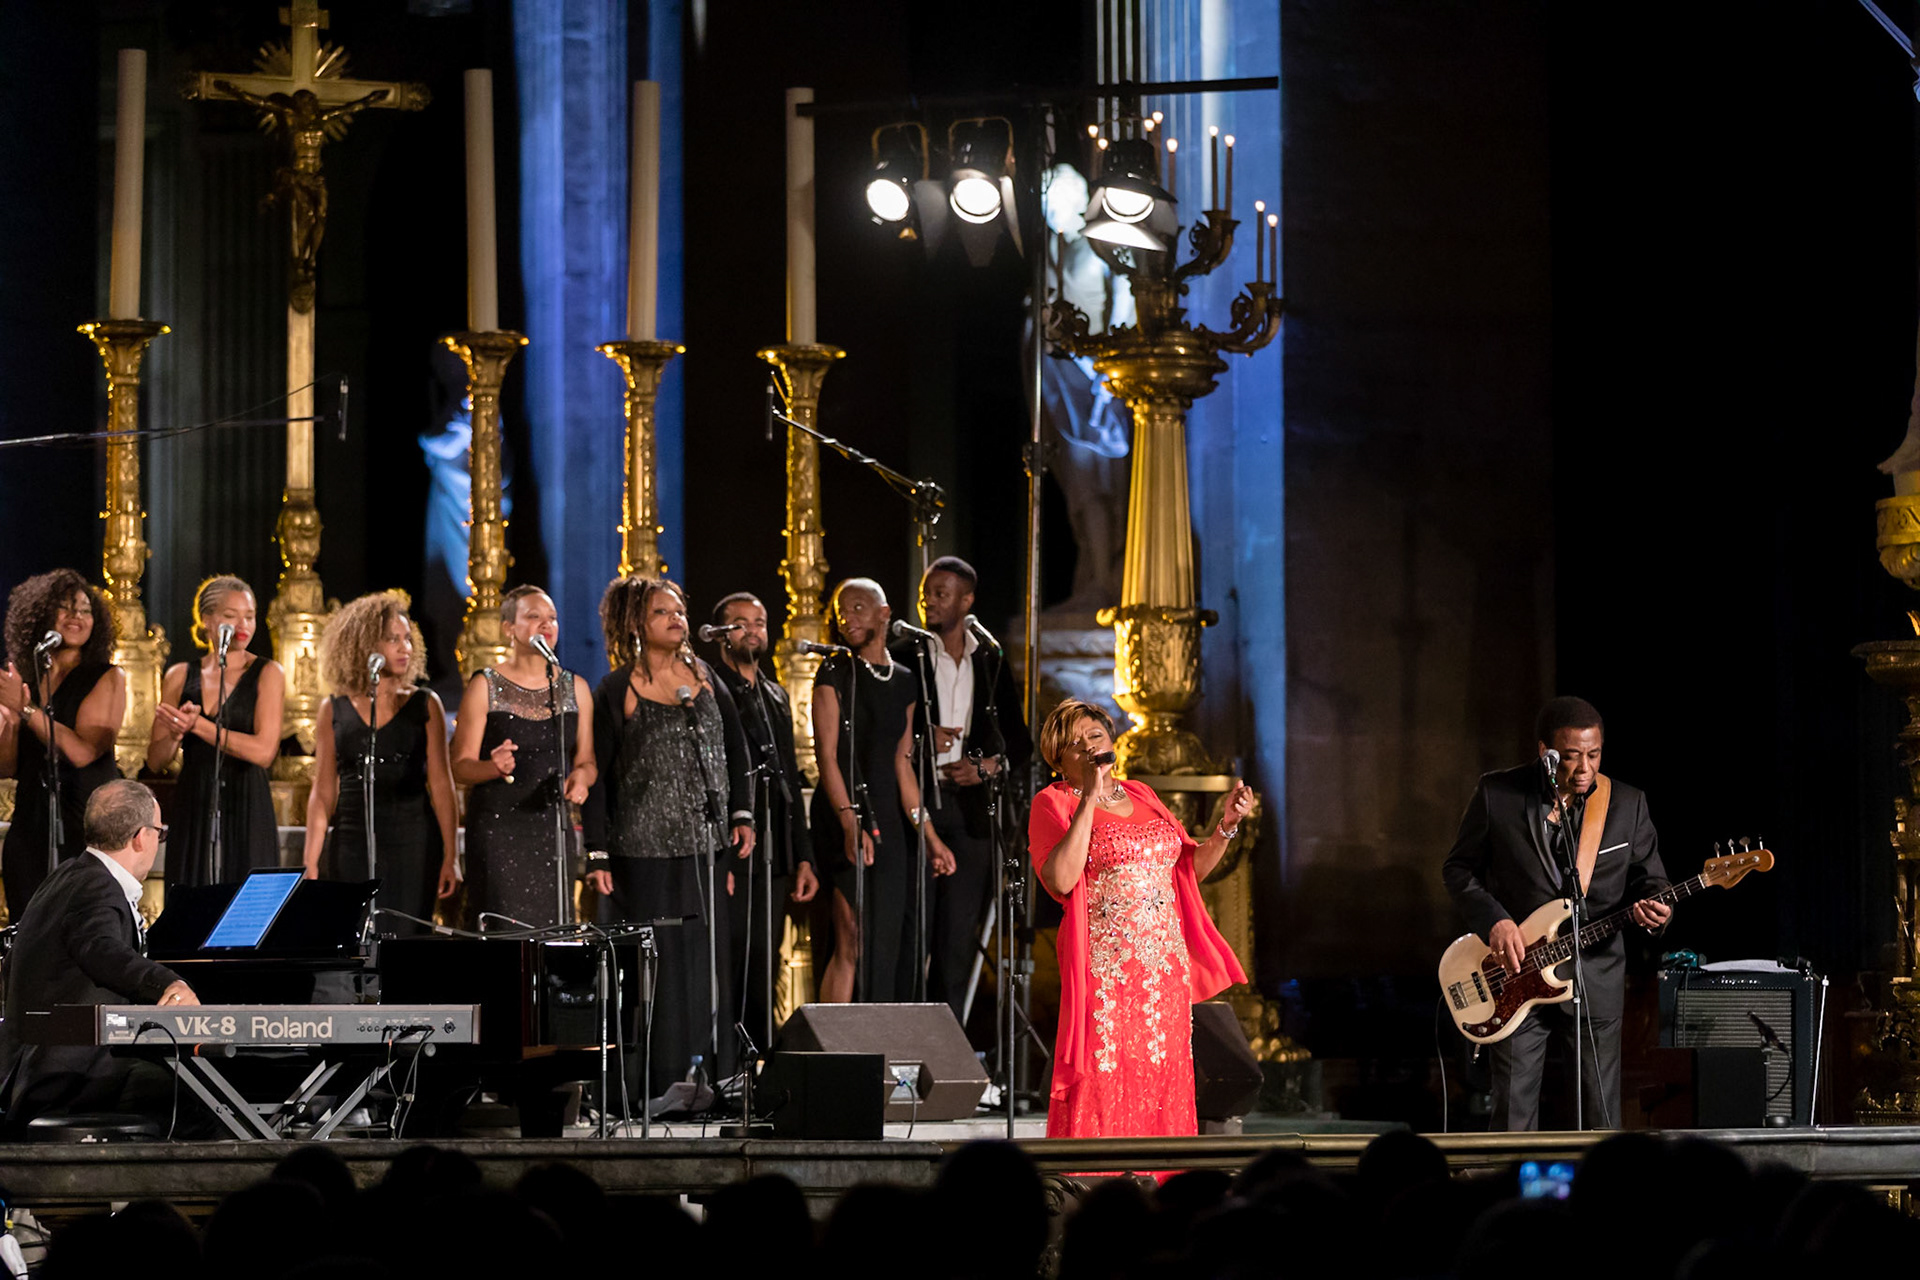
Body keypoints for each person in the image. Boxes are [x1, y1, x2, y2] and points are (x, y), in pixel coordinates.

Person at [1441, 695, 1672, 1130]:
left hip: (1595, 976)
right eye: (1570, 757)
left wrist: (1656, 906)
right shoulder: (1498, 794)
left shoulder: (1627, 804)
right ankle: (1511, 1191)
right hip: (1514, 976)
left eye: (1594, 754)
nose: (1584, 768)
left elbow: (1650, 879)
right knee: (1512, 1115)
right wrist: (1495, 921)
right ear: (1544, 751)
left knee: (1599, 1116)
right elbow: (1457, 869)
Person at [1028, 699, 1249, 1138]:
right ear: (1059, 761)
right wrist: (1089, 798)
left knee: (1162, 1080)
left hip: (1163, 970)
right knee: (1105, 1079)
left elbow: (1187, 871)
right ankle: (1097, 1188)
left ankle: (1164, 1184)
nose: (1089, 747)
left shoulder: (1142, 794)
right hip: (1107, 974)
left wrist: (1226, 825)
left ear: (1110, 741)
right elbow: (1061, 878)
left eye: (1095, 736)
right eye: (1075, 745)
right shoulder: (1052, 802)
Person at [583, 575, 756, 1098]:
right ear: (637, 623)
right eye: (662, 612)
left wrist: (741, 816)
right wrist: (596, 852)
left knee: (705, 969)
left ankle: (711, 1079)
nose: (677, 619)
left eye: (679, 611)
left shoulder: (705, 677)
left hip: (703, 851)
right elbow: (597, 776)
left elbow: (736, 748)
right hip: (641, 853)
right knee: (656, 974)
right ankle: (651, 1085)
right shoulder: (618, 688)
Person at [0, 779, 198, 1134]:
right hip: (69, 1078)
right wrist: (169, 983)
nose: (157, 840)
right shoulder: (98, 886)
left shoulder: (65, 876)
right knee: (198, 1095)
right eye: (159, 832)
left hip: (35, 1071)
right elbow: (100, 948)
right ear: (140, 836)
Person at [888, 556, 1032, 1024]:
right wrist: (921, 734)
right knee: (914, 930)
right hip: (918, 804)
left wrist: (989, 766)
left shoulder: (988, 659)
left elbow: (1018, 740)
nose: (930, 601)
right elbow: (886, 726)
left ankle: (945, 1048)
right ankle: (902, 1041)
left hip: (970, 812)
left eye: (942, 594)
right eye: (927, 592)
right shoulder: (905, 654)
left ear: (967, 601)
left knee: (957, 938)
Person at [810, 578, 956, 1004]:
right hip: (843, 813)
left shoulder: (907, 679)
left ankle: (882, 1043)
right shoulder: (836, 669)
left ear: (884, 612)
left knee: (887, 942)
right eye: (841, 611)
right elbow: (828, 755)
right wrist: (848, 823)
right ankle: (833, 1055)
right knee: (850, 936)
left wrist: (929, 837)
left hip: (889, 821)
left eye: (857, 607)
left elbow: (902, 764)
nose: (847, 618)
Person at [303, 592, 459, 933]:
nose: (405, 648)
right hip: (351, 840)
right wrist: (310, 860)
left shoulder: (425, 704)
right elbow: (324, 790)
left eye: (407, 639)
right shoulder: (334, 710)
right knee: (352, 936)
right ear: (364, 645)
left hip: (414, 842)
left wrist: (451, 855)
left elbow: (442, 786)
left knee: (407, 938)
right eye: (393, 640)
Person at [707, 591, 820, 1046]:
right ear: (719, 634)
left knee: (764, 959)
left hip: (773, 851)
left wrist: (804, 857)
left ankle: (757, 1060)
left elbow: (789, 778)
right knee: (732, 959)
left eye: (759, 621)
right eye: (740, 623)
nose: (752, 630)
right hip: (734, 849)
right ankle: (726, 1061)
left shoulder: (773, 693)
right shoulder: (711, 688)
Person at [450, 585, 596, 930]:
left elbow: (587, 760)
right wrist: (492, 766)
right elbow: (459, 766)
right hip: (499, 829)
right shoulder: (485, 685)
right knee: (502, 932)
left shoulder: (576, 688)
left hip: (551, 830)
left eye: (552, 619)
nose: (547, 625)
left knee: (552, 932)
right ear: (509, 628)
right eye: (533, 617)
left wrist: (581, 779)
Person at [0, 569, 127, 919]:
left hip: (84, 825)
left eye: (85, 610)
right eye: (65, 608)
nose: (77, 617)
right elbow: (7, 767)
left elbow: (83, 752)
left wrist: (25, 710)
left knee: (79, 931)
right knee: (27, 932)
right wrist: (10, 724)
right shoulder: (25, 679)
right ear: (42, 614)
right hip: (30, 826)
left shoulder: (107, 676)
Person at [145, 575, 285, 887]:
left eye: (249, 616)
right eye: (230, 616)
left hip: (247, 805)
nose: (243, 625)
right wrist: (177, 732)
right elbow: (156, 760)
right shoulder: (179, 675)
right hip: (195, 803)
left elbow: (264, 752)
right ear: (207, 621)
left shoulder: (268, 673)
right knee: (193, 907)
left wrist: (201, 726)